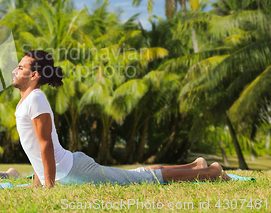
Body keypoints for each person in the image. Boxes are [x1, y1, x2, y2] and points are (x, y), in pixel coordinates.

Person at [12, 50, 231, 189]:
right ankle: (195, 165)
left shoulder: (36, 99)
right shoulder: (26, 102)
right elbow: (36, 150)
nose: (15, 70)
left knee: (142, 181)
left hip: (73, 171)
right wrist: (38, 183)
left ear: (34, 75)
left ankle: (211, 172)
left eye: (20, 67)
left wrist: (48, 187)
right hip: (68, 171)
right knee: (136, 175)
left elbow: (46, 145)